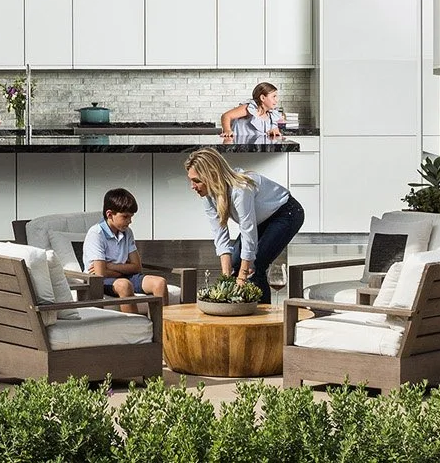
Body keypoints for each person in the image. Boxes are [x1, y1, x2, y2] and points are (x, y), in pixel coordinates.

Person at [183, 145, 305, 303]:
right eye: (191, 180)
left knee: (255, 266)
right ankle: (240, 310)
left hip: (286, 213)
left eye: (196, 181)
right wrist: (227, 278)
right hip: (261, 219)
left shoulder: (240, 189)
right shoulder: (208, 196)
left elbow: (248, 231)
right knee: (235, 263)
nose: (192, 186)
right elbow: (220, 234)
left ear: (212, 175)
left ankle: (263, 315)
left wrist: (242, 276)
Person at [82, 187, 168, 313]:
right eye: (125, 216)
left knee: (160, 283)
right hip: (99, 282)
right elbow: (100, 273)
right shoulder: (96, 233)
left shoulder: (127, 232)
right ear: (109, 214)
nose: (130, 221)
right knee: (124, 285)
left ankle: (163, 325)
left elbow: (137, 267)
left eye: (131, 217)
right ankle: (135, 325)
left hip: (123, 276)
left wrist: (110, 266)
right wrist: (122, 270)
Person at [218, 82, 284, 143]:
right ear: (262, 98)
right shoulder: (249, 108)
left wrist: (275, 131)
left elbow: (278, 128)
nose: (276, 100)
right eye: (274, 96)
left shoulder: (272, 115)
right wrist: (227, 130)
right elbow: (226, 116)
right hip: (241, 147)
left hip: (257, 149)